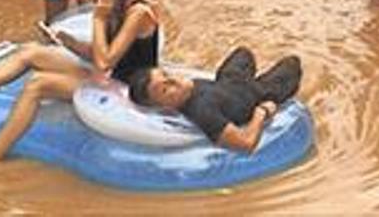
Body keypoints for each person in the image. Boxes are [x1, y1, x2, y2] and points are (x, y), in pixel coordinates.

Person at [0, 0, 160, 169]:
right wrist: (68, 42)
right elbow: (101, 54)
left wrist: (99, 19)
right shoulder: (114, 7)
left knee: (38, 84)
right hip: (110, 74)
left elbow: (105, 62)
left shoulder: (138, 13)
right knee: (31, 52)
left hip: (126, 86)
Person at [127, 47, 302, 153]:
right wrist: (261, 112)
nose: (174, 80)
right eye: (165, 89)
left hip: (228, 82)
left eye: (166, 75)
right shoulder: (203, 111)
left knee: (243, 52)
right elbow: (245, 143)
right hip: (253, 95)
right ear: (162, 106)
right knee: (292, 64)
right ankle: (268, 86)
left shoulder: (186, 88)